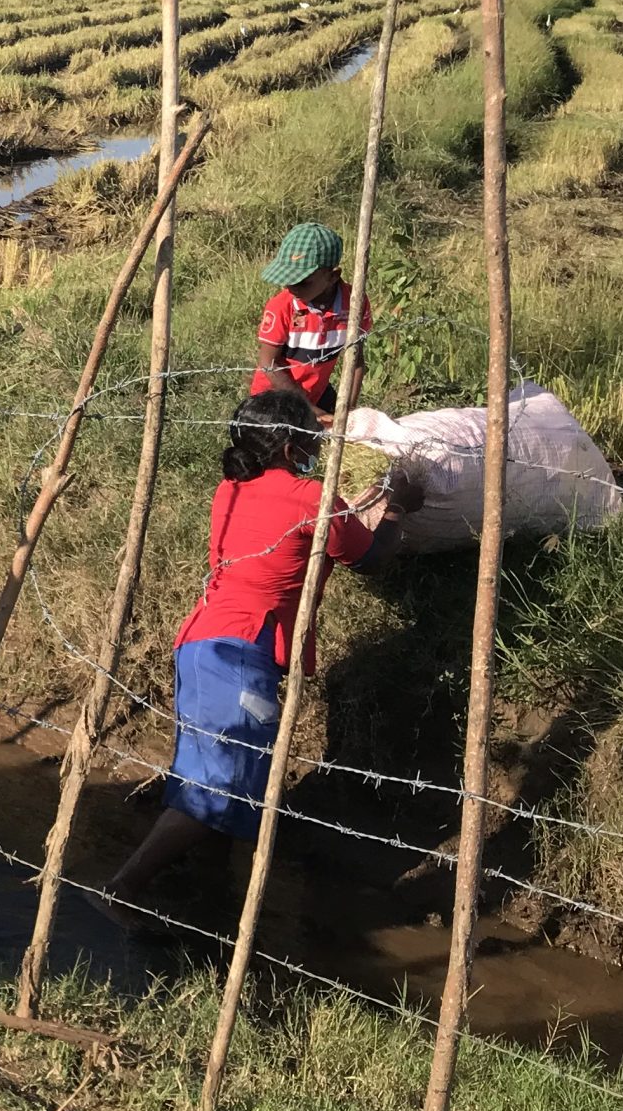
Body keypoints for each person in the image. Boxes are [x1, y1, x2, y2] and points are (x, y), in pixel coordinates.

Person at [106, 390, 415, 905]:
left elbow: (298, 539)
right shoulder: (308, 497)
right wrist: (398, 508)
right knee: (222, 784)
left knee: (209, 774)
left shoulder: (229, 491)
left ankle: (203, 899)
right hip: (242, 654)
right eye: (311, 437)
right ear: (293, 446)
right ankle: (124, 889)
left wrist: (348, 510)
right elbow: (370, 557)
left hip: (202, 645)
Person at [251, 221, 363, 426]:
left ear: (332, 276)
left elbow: (356, 361)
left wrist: (348, 411)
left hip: (316, 394)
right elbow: (269, 364)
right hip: (273, 400)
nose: (291, 287)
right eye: (287, 278)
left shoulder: (354, 305)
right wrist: (310, 410)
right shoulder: (281, 307)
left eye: (302, 281)